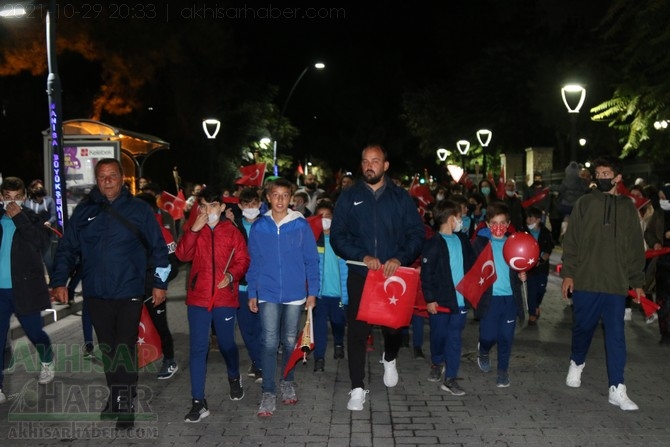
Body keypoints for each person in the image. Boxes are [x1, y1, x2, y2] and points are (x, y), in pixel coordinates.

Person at [51, 158, 171, 429]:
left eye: (112, 175)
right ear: (97, 179)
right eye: (102, 176)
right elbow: (67, 248)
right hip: (96, 292)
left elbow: (159, 250)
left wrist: (160, 284)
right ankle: (116, 395)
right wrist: (60, 281)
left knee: (124, 347)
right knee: (107, 348)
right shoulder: (84, 211)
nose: (107, 181)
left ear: (121, 178)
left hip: (129, 290)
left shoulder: (139, 210)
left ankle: (126, 402)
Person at [330, 144, 425, 411]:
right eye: (365, 161)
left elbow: (416, 234)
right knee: (358, 333)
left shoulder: (400, 198)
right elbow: (337, 236)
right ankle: (357, 387)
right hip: (361, 274)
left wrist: (399, 258)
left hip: (392, 276)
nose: (369, 165)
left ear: (385, 165)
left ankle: (390, 356)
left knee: (394, 329)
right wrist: (362, 256)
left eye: (375, 160)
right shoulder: (349, 197)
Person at [560, 156, 645, 411]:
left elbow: (634, 248)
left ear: (618, 177)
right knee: (583, 328)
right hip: (586, 280)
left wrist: (637, 282)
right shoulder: (585, 203)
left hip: (616, 285)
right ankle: (577, 361)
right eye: (598, 173)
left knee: (616, 336)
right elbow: (571, 240)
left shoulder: (628, 208)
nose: (602, 177)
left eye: (607, 173)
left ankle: (617, 388)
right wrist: (569, 273)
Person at [175, 188, 250, 422]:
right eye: (204, 206)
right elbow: (182, 256)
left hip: (224, 298)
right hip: (198, 298)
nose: (209, 211)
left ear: (221, 207)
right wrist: (193, 231)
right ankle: (198, 401)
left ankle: (234, 376)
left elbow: (243, 259)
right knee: (198, 348)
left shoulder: (232, 231)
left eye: (213, 206)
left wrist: (231, 275)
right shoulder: (193, 229)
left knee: (227, 344)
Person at [246, 178, 320, 417]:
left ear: (291, 198)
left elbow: (311, 260)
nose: (279, 200)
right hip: (267, 291)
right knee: (268, 341)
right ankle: (268, 391)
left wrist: (312, 292)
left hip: (295, 293)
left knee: (289, 340)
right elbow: (254, 262)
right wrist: (252, 292)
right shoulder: (259, 226)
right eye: (275, 195)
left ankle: (287, 380)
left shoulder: (300, 225)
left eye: (284, 195)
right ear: (268, 197)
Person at [0, 177, 56, 404]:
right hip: (0, 292)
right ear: (1, 197)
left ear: (23, 197)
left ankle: (47, 359)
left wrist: (19, 217)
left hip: (24, 289)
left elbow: (39, 243)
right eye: (7, 198)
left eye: (16, 198)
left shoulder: (33, 219)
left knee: (35, 333)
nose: (11, 202)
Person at [420, 199, 473, 395]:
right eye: (459, 218)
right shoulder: (433, 244)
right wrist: (430, 299)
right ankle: (436, 362)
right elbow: (427, 274)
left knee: (454, 339)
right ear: (452, 219)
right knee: (438, 336)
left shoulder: (463, 240)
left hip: (460, 302)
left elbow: (473, 264)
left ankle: (450, 378)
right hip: (440, 303)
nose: (461, 221)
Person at [474, 202, 526, 388]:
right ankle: (484, 351)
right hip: (489, 300)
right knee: (488, 336)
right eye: (494, 222)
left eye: (502, 223)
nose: (498, 227)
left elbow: (521, 265)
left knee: (506, 337)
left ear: (508, 223)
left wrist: (522, 274)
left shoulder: (514, 243)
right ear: (487, 224)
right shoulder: (480, 244)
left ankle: (503, 372)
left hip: (510, 299)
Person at [134, 192, 181, 380]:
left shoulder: (161, 231)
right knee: (129, 328)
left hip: (153, 289)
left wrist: (159, 283)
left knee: (160, 326)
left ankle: (169, 360)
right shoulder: (128, 227)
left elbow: (174, 265)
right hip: (131, 288)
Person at [311, 200, 347, 372]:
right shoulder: (313, 241)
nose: (324, 219)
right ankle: (319, 357)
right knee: (319, 326)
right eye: (321, 216)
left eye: (328, 216)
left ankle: (339, 342)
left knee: (338, 322)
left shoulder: (342, 240)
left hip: (339, 294)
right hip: (320, 294)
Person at [233, 187, 264, 382]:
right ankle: (257, 360)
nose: (250, 208)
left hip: (263, 286)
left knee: (262, 327)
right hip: (240, 287)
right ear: (240, 206)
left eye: (254, 204)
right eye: (246, 204)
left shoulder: (267, 225)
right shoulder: (233, 227)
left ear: (260, 204)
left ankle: (260, 363)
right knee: (246, 328)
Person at [525, 206, 554, 325]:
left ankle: (536, 305)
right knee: (531, 290)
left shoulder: (546, 232)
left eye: (530, 218)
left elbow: (549, 249)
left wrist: (541, 260)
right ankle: (532, 313)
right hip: (529, 268)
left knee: (541, 289)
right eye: (527, 217)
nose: (528, 220)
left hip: (542, 267)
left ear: (537, 220)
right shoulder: (524, 232)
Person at [25, 179, 59, 280]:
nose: (39, 189)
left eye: (40, 187)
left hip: (46, 233)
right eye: (36, 188)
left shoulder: (49, 200)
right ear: (32, 190)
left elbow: (54, 215)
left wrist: (49, 222)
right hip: (33, 234)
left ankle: (54, 281)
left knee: (47, 258)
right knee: (34, 258)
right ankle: (36, 280)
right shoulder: (27, 202)